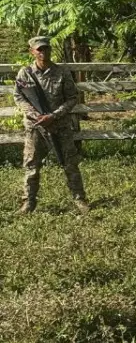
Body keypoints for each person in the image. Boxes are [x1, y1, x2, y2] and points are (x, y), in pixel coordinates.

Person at [13, 36, 88, 214]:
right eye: (39, 49)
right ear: (32, 51)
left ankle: (80, 199)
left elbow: (72, 98)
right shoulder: (25, 74)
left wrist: (54, 116)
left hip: (60, 126)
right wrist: (35, 116)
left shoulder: (61, 73)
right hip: (35, 127)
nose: (43, 52)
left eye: (46, 48)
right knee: (31, 166)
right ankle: (28, 203)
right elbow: (19, 97)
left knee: (70, 164)